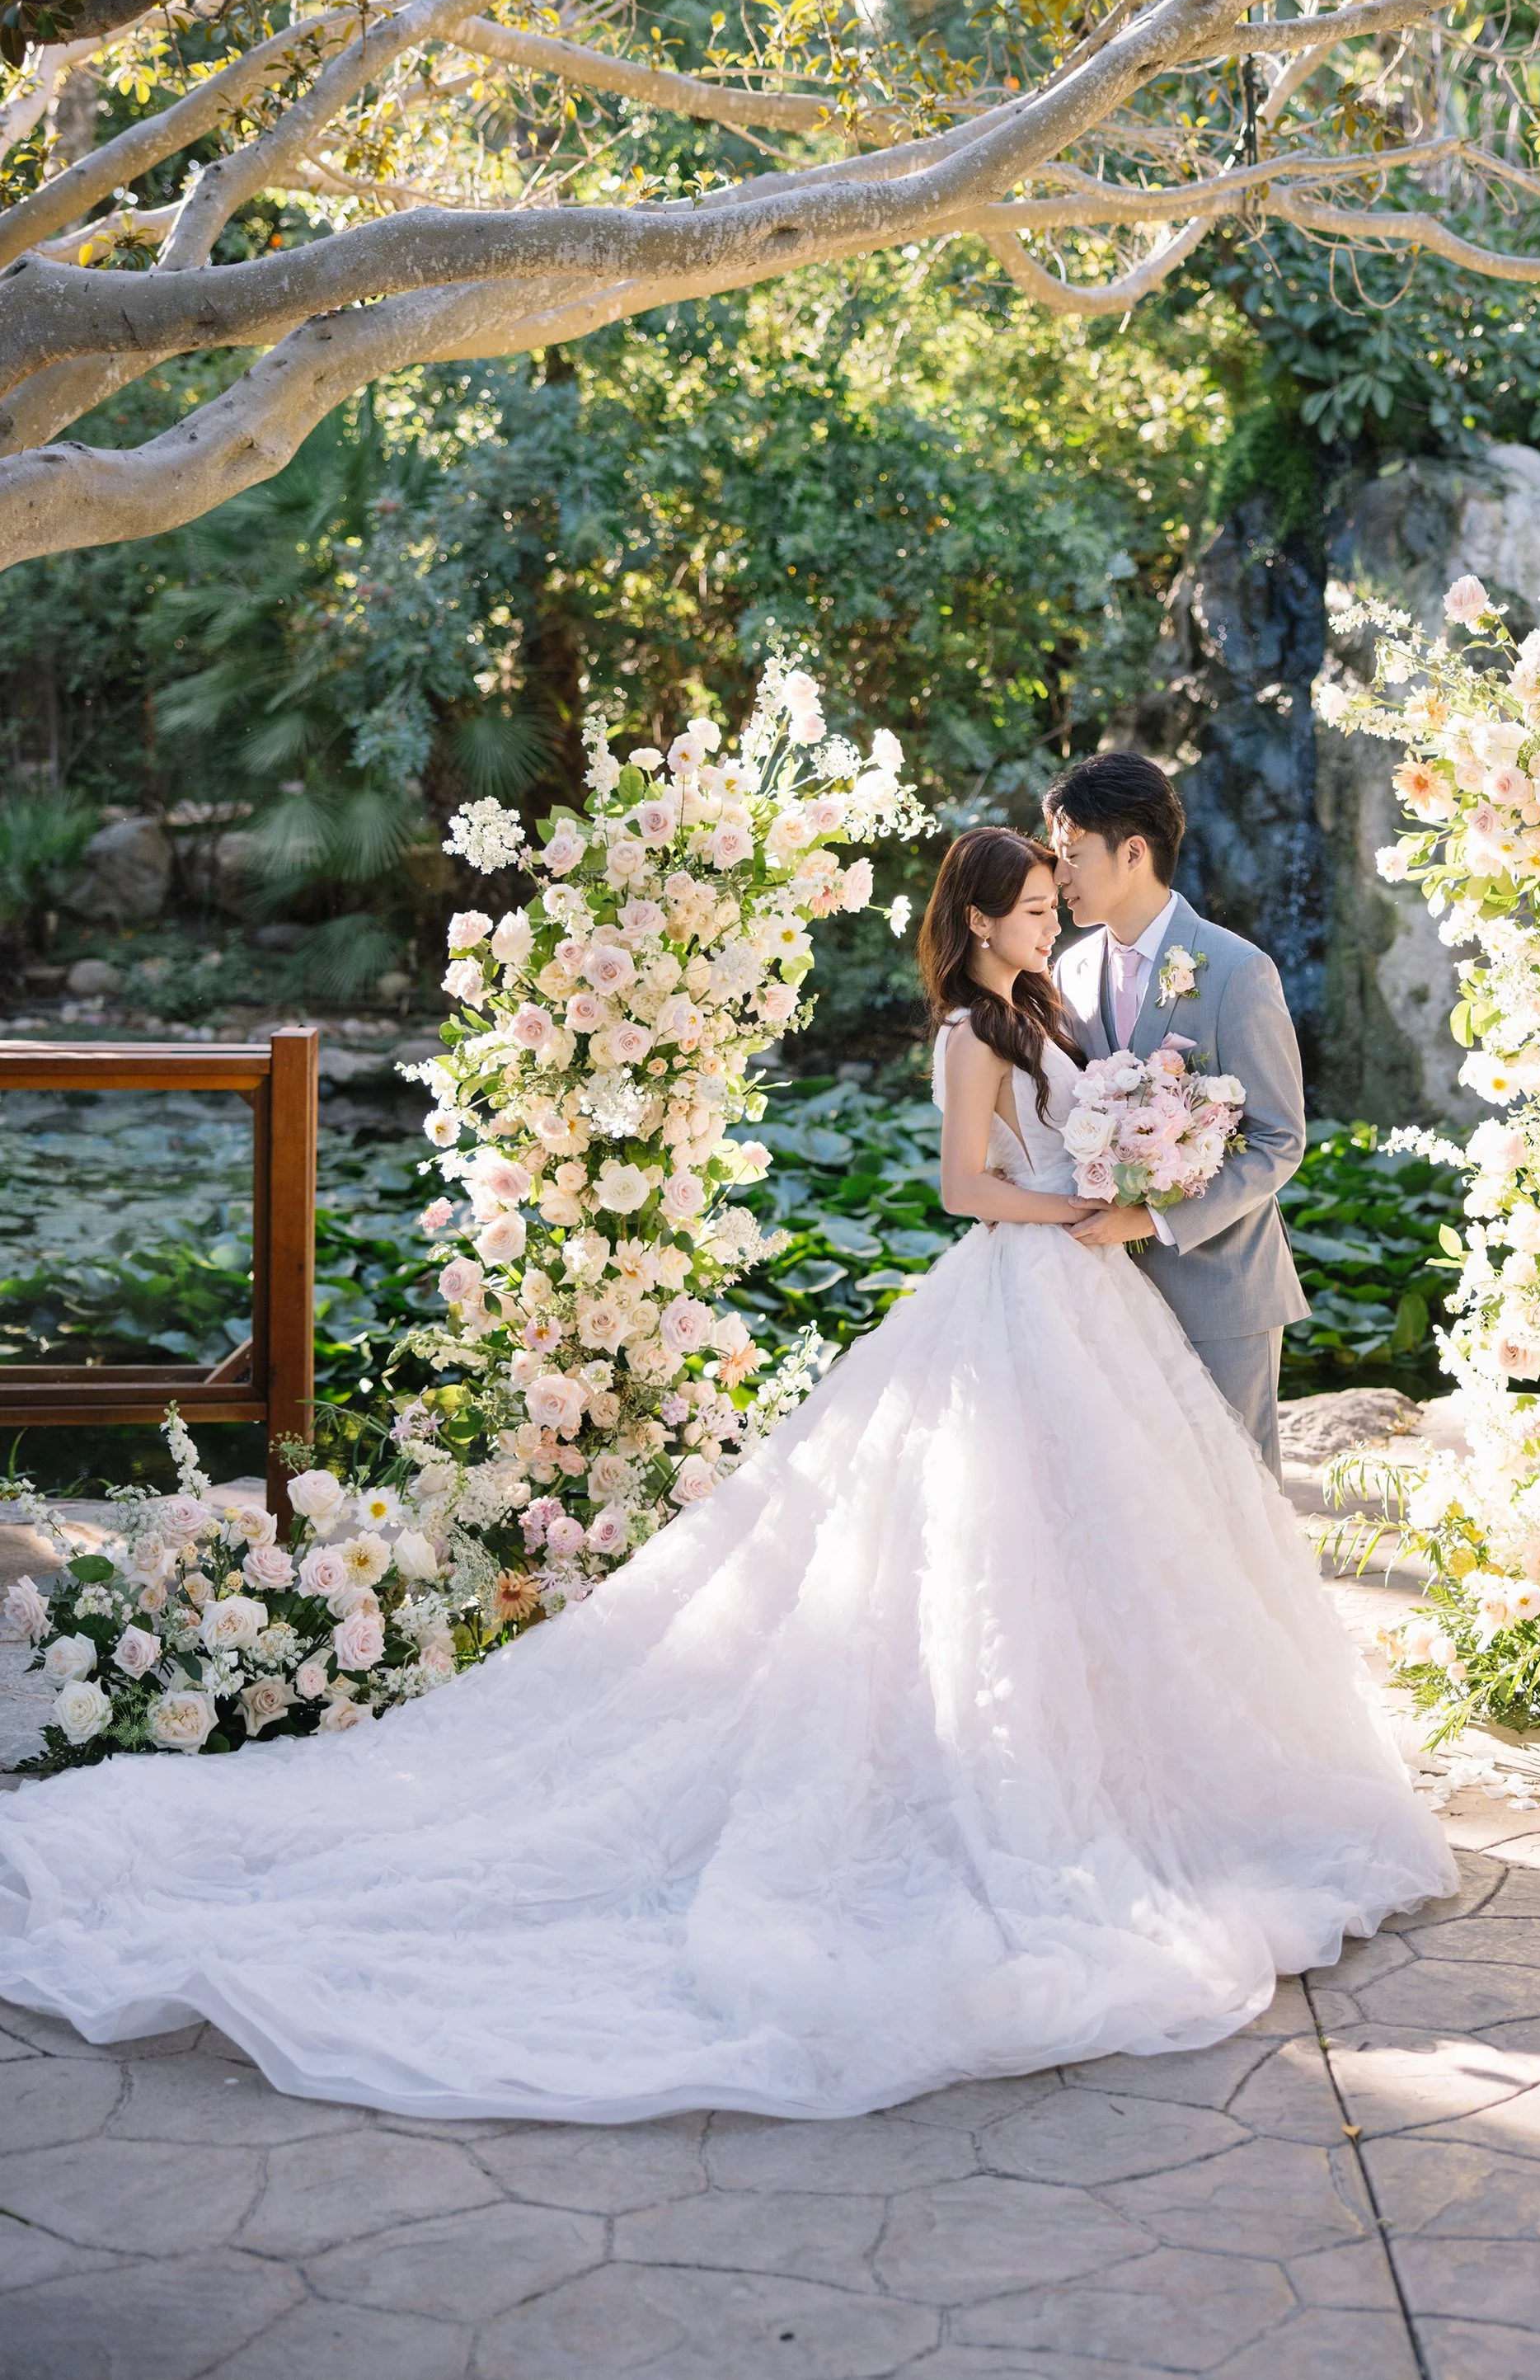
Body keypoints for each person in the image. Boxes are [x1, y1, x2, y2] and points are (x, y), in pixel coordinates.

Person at [0, 827, 1450, 2126]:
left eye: (1045, 889)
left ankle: (1142, 1770)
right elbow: (959, 1185)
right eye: (1023, 897)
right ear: (981, 919)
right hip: (1023, 1281)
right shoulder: (967, 1030)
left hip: (1090, 1298)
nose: (1046, 902)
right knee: (995, 1546)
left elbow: (1131, 1118)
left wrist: (1151, 1148)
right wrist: (1076, 1200)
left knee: (1114, 1549)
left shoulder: (1051, 998)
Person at [1046, 751, 1306, 1475]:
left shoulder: (1237, 969)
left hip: (1223, 1289)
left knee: (1236, 1497)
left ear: (1133, 852)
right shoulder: (1066, 970)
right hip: (1108, 1294)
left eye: (1071, 856)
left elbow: (1279, 1142)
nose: (1057, 875)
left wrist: (1153, 1219)